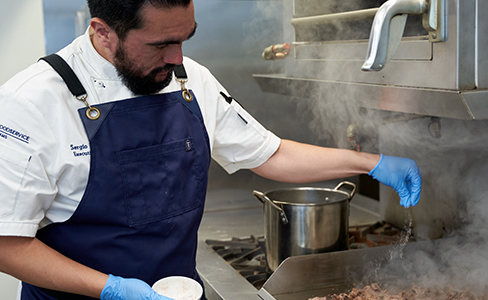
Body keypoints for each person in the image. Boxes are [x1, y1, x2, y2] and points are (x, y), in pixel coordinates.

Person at [0, 0, 422, 299]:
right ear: (102, 32)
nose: (178, 56)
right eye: (160, 44)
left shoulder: (190, 80)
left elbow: (270, 154)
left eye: (186, 38)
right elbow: (6, 243)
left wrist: (371, 163)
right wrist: (110, 289)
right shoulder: (31, 103)